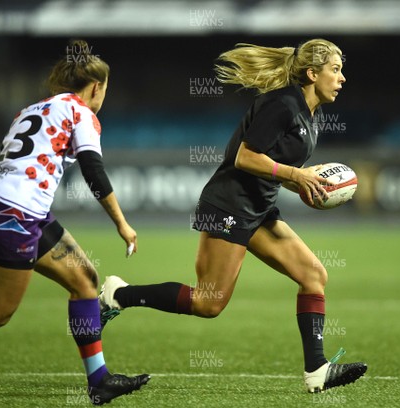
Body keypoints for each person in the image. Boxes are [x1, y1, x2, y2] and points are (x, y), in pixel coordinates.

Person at [99, 39, 367, 393]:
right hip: (229, 205)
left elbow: (273, 168)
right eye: (336, 70)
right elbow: (245, 158)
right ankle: (118, 295)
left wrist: (303, 184)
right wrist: (297, 175)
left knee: (314, 275)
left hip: (258, 207)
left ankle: (316, 369)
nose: (342, 77)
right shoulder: (283, 104)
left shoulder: (310, 115)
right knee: (208, 303)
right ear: (312, 73)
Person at [0, 40, 149, 405]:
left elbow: (8, 161)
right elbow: (93, 170)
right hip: (17, 213)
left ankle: (99, 381)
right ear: (97, 86)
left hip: (13, 209)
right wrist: (122, 223)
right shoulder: (82, 113)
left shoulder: (32, 109)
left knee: (85, 280)